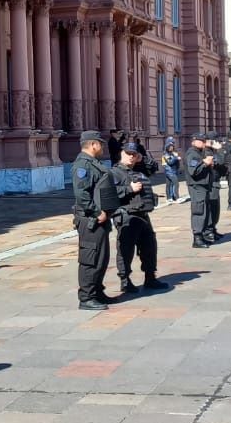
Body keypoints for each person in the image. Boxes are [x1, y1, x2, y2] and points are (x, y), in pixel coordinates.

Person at [112, 141, 171, 294]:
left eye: (134, 154)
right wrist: (129, 189)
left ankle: (150, 277)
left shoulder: (138, 169)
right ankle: (125, 281)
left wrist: (142, 157)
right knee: (126, 250)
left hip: (143, 215)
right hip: (127, 216)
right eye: (128, 154)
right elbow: (109, 193)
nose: (131, 157)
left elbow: (153, 167)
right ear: (121, 154)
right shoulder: (114, 172)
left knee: (150, 246)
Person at [72, 130, 121, 309]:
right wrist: (95, 212)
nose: (103, 147)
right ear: (93, 144)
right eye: (101, 143)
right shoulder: (82, 165)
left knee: (101, 258)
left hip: (100, 218)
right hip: (90, 220)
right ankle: (86, 298)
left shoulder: (93, 163)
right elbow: (81, 194)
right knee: (90, 258)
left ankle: (97, 292)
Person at [183, 133, 217, 248]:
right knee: (199, 211)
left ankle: (202, 236)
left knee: (205, 211)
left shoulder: (199, 153)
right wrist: (205, 163)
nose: (203, 142)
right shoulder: (192, 154)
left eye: (204, 140)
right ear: (194, 141)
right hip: (197, 187)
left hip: (203, 186)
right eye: (201, 140)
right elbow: (194, 171)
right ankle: (197, 238)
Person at [161, 137, 182, 203]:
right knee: (176, 184)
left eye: (173, 145)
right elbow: (170, 162)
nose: (172, 146)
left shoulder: (173, 153)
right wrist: (176, 158)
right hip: (169, 171)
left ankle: (170, 198)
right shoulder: (165, 154)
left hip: (173, 171)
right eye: (171, 145)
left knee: (169, 184)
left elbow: (176, 163)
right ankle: (176, 198)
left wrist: (178, 168)